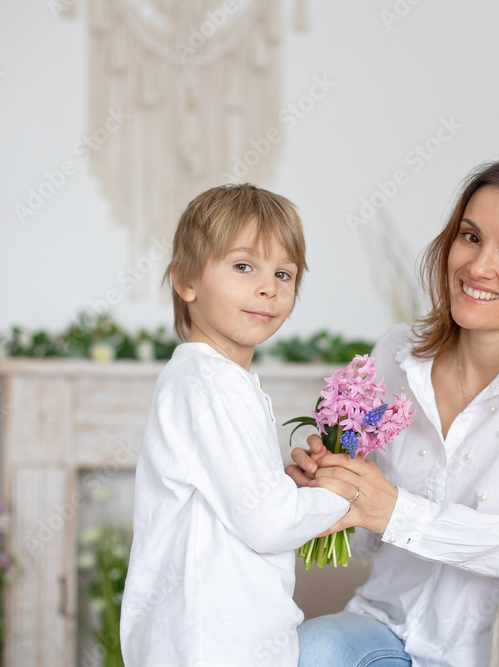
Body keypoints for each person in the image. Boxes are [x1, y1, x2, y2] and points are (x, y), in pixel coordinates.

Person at [288, 156, 499, 666]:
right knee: (309, 651)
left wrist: (401, 513)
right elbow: (366, 541)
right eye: (471, 237)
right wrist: (335, 492)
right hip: (386, 629)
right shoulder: (396, 353)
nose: (477, 267)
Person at [120, 184, 351, 666]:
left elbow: (239, 502)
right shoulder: (209, 380)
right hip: (213, 640)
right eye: (244, 266)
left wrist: (286, 486)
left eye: (284, 273)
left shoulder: (221, 379)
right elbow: (266, 523)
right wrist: (342, 495)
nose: (269, 287)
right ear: (185, 281)